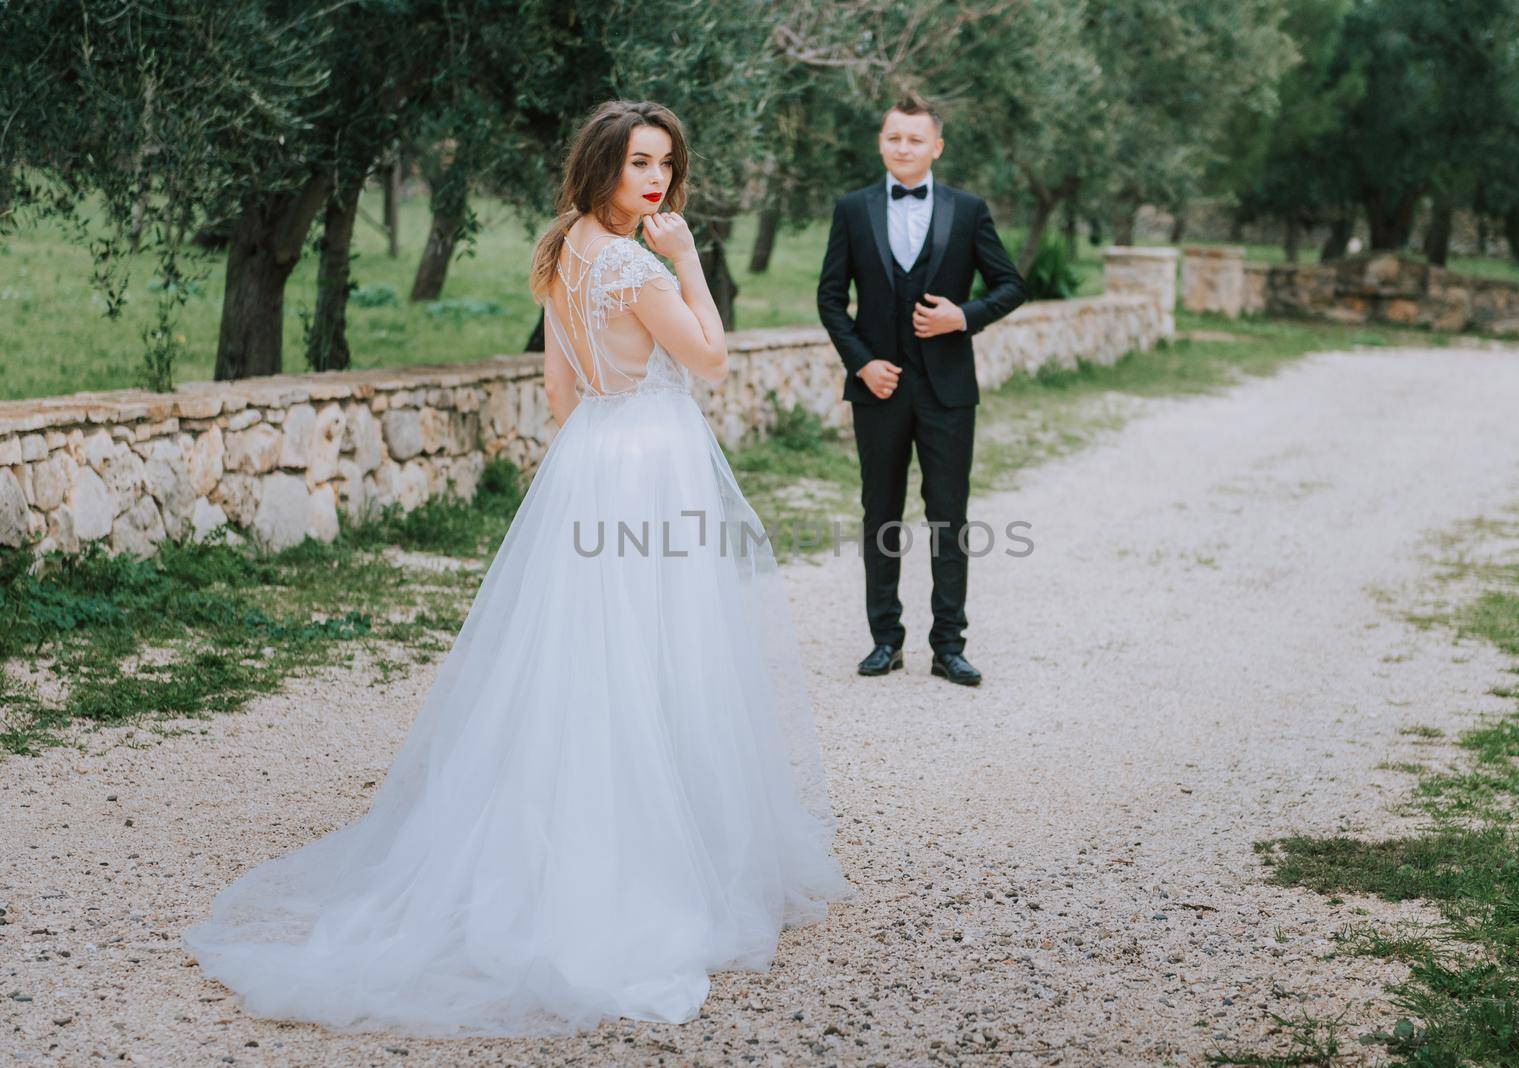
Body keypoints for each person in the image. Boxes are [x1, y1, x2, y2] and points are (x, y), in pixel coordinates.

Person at [184, 99, 851, 1038]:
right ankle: (642, 869)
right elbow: (712, 361)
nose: (655, 180)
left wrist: (597, 454)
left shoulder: (563, 249)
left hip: (589, 465)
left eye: (664, 163)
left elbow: (558, 390)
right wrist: (689, 260)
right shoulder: (629, 261)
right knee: (656, 658)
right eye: (637, 164)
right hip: (650, 467)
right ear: (602, 168)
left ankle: (566, 844)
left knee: (583, 661)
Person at [817, 94, 1025, 687]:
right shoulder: (853, 210)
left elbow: (1010, 285)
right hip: (878, 390)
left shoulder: (968, 210)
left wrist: (964, 316)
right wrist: (862, 364)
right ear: (881, 143)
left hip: (948, 392)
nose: (903, 148)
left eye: (915, 139)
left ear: (936, 146)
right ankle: (885, 641)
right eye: (893, 138)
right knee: (879, 513)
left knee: (948, 517)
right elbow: (830, 298)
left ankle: (949, 646)